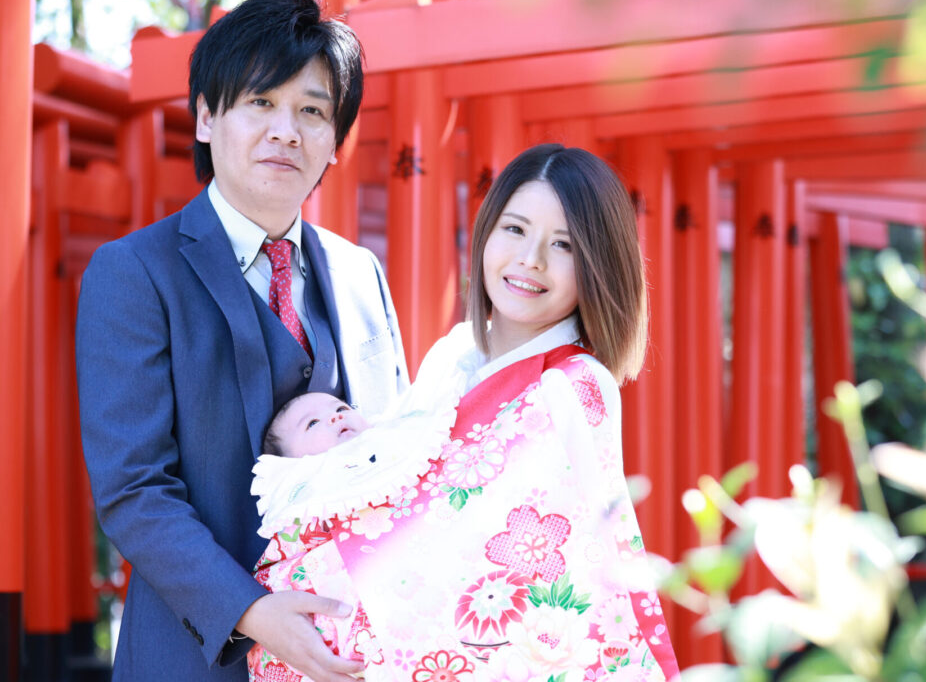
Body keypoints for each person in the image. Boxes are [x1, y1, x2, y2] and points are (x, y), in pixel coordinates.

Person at [246, 144, 680, 682]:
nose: (531, 260)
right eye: (515, 229)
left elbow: (574, 558)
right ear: (486, 233)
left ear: (597, 264)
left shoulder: (574, 383)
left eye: (564, 244)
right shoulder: (453, 355)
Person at [75, 0, 407, 682]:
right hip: (190, 658)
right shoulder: (134, 272)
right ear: (205, 116)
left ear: (335, 143)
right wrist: (254, 613)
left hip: (356, 656)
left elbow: (402, 453)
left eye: (312, 111)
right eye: (261, 102)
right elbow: (133, 489)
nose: (286, 130)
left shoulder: (360, 273)